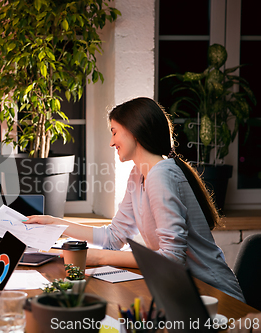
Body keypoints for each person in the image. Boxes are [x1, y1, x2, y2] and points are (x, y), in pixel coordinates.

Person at [25, 97, 245, 302]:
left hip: (214, 295)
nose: (111, 142)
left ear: (134, 131)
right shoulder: (138, 173)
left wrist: (100, 258)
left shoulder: (161, 174)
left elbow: (171, 258)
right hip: (182, 290)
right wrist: (54, 223)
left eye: (114, 132)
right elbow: (113, 237)